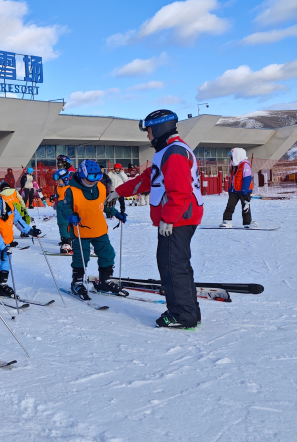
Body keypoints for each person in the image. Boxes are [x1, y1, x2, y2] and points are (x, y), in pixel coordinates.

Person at [114, 110, 204, 329]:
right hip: (177, 218)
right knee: (174, 265)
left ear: (161, 129)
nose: (148, 136)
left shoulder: (174, 152)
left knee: (172, 266)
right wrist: (118, 191)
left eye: (150, 131)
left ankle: (183, 315)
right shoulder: (166, 151)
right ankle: (187, 309)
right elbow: (147, 180)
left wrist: (169, 218)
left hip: (178, 219)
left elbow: (180, 190)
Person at [58, 160, 127, 301]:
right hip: (80, 230)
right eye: (91, 178)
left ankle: (104, 281)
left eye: (98, 177)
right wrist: (70, 216)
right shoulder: (71, 190)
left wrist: (115, 212)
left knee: (108, 253)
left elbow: (105, 205)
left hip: (99, 229)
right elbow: (65, 209)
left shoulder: (100, 187)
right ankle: (76, 283)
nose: (94, 181)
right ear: (82, 175)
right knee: (81, 257)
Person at [222, 148, 256, 228]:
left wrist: (244, 190)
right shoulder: (234, 165)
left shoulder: (245, 165)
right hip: (234, 190)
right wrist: (230, 188)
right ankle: (227, 221)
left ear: (237, 155)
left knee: (245, 207)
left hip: (244, 191)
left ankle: (247, 223)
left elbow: (247, 178)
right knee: (230, 206)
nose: (231, 158)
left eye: (232, 156)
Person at [51, 168, 73, 254]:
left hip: (67, 209)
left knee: (66, 225)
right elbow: (57, 196)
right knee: (61, 224)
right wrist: (55, 201)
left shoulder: (69, 188)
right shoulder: (58, 187)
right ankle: (65, 241)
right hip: (60, 209)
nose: (57, 182)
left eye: (59, 181)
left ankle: (68, 243)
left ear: (65, 179)